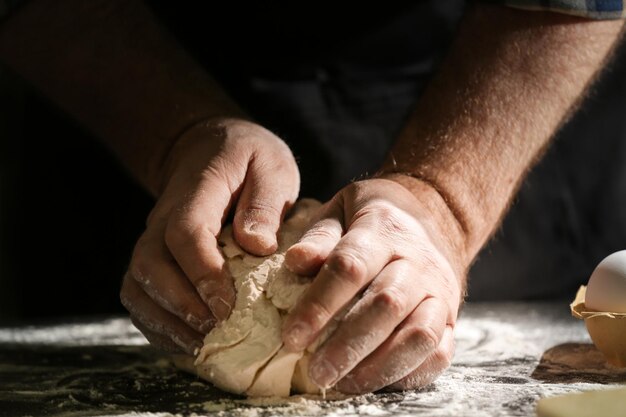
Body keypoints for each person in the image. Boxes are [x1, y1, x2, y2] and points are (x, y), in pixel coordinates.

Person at [0, 0, 624, 394]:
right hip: (132, 95)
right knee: (176, 289)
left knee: (403, 315)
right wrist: (175, 135)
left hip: (476, 86)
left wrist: (441, 200)